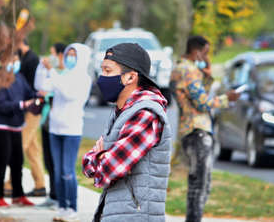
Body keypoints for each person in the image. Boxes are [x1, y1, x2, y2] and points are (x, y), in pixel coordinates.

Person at [82, 43, 172, 222]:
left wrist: (99, 155)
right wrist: (100, 157)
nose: (102, 78)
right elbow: (87, 166)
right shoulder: (124, 112)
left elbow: (108, 169)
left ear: (130, 77)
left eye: (108, 71)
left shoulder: (145, 116)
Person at [172, 36, 239, 222]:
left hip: (188, 131)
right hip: (198, 130)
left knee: (197, 185)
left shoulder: (179, 68)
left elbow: (198, 91)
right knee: (200, 187)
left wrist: (207, 71)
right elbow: (202, 103)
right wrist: (227, 99)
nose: (207, 57)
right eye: (206, 52)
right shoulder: (189, 70)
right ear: (197, 51)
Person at [41, 43, 92, 222]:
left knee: (67, 170)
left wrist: (53, 74)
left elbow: (69, 94)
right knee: (56, 171)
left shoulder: (84, 79)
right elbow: (43, 87)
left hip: (71, 130)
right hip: (55, 128)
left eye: (73, 55)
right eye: (68, 54)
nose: (69, 58)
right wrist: (45, 69)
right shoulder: (62, 75)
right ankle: (62, 205)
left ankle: (73, 207)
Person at [0, 54, 35, 207]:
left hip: (16, 125)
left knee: (17, 161)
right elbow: (1, 104)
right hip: (0, 125)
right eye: (11, 60)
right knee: (1, 160)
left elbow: (29, 94)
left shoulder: (19, 77)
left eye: (16, 60)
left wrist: (38, 96)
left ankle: (18, 195)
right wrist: (21, 105)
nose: (14, 63)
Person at [4, 39, 46, 197]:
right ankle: (40, 185)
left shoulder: (32, 59)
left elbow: (31, 87)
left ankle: (9, 185)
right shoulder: (24, 58)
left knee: (19, 146)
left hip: (32, 109)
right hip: (26, 108)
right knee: (32, 150)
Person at [34, 42, 67, 209]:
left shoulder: (66, 73)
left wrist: (50, 75)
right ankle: (53, 195)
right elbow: (39, 87)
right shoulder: (50, 72)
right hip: (46, 120)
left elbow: (61, 91)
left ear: (61, 55)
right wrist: (43, 69)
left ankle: (62, 198)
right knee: (48, 160)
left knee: (59, 162)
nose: (50, 57)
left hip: (60, 124)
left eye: (53, 53)